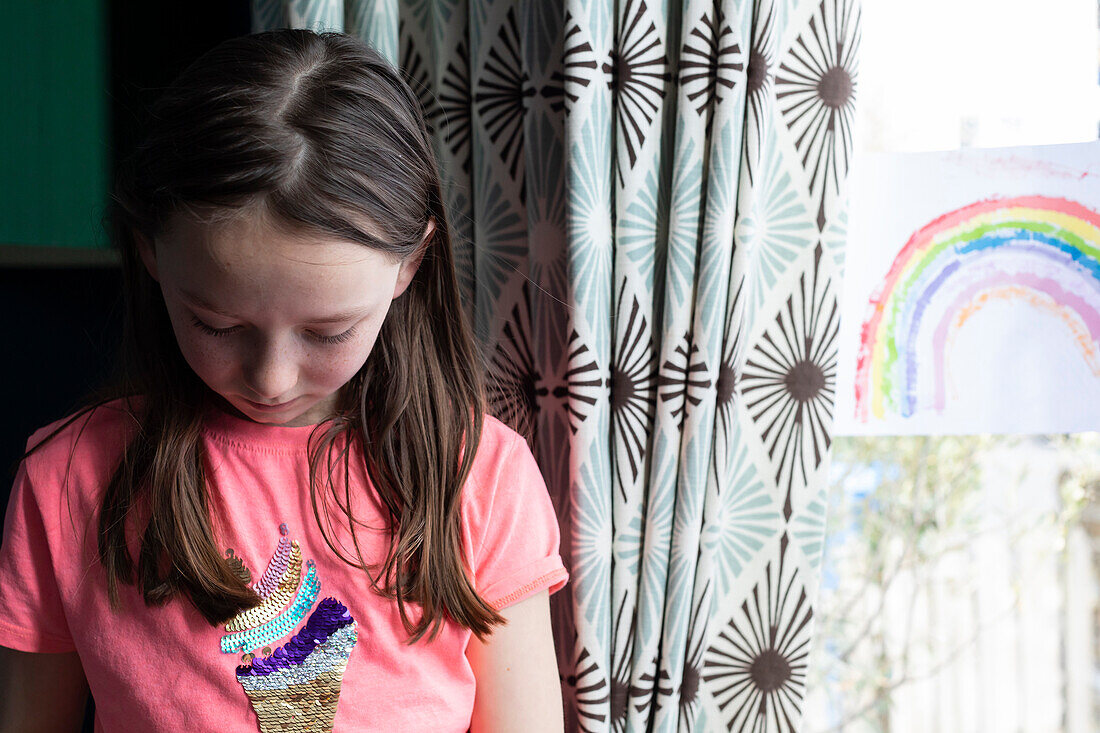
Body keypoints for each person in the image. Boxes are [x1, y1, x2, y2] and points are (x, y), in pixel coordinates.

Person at [0, 29, 568, 733]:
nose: (270, 377)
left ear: (410, 265)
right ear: (149, 251)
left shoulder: (481, 476)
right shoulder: (67, 479)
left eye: (327, 332)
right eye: (217, 323)